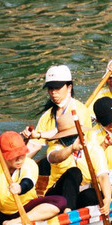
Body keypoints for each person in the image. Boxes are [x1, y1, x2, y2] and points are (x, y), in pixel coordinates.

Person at [22, 65, 95, 211]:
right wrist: (15, 159)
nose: (53, 92)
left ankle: (69, 212)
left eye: (58, 88)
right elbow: (33, 148)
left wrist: (40, 135)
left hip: (85, 182)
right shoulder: (47, 117)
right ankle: (66, 210)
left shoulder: (80, 111)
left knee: (76, 174)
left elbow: (65, 131)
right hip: (59, 185)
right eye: (50, 88)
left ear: (69, 87)